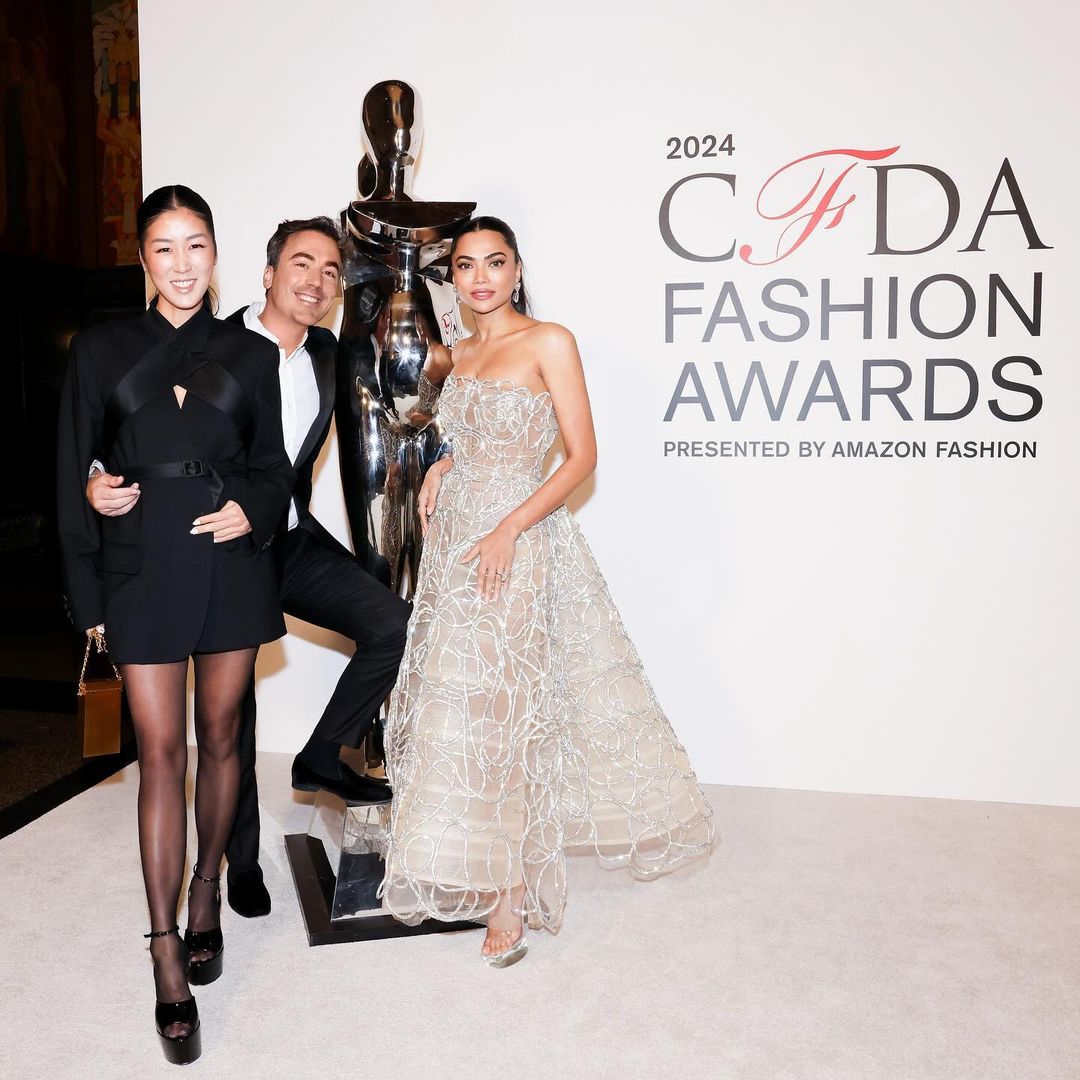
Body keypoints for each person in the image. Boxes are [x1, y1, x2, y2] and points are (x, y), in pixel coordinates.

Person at [380, 217, 715, 967]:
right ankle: (480, 857)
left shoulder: (550, 341)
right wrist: (443, 466)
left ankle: (510, 890)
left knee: (511, 710)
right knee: (467, 704)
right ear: (452, 278)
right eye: (465, 266)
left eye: (494, 262)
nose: (480, 278)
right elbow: (477, 438)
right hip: (456, 547)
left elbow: (580, 457)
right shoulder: (461, 352)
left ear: (518, 269)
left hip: (518, 544)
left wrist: (509, 528)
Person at [87, 216, 412, 921]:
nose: (316, 281)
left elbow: (376, 417)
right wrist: (93, 477)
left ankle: (320, 755)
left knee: (393, 624)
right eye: (301, 264)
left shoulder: (327, 353)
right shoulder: (213, 342)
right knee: (230, 719)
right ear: (267, 273)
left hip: (286, 538)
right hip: (216, 549)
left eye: (330, 271)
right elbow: (122, 428)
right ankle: (239, 864)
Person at [57, 185, 294, 1064]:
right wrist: (89, 591)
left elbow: (274, 468)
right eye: (165, 247)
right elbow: (72, 474)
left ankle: (205, 890)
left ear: (215, 254)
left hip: (229, 565)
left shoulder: (252, 353)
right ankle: (165, 947)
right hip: (141, 569)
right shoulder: (100, 349)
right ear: (143, 259)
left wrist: (253, 509)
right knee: (160, 753)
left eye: (197, 245)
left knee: (223, 737)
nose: (183, 264)